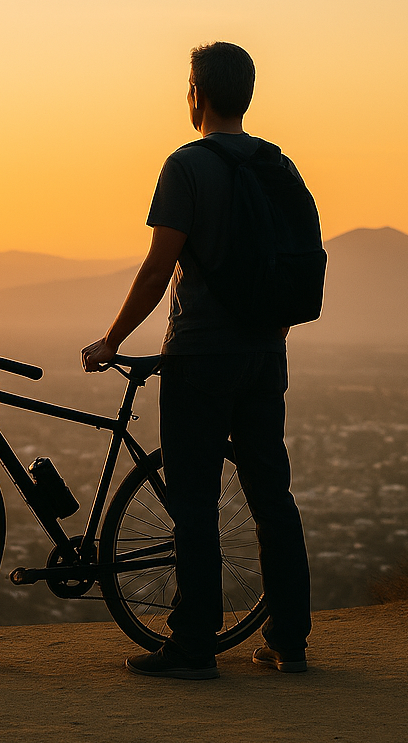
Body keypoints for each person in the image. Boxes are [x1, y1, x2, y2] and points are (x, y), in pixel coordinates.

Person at [82, 41, 312, 680]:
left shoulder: (187, 165)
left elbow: (161, 265)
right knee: (272, 492)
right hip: (266, 353)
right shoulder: (279, 165)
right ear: (248, 95)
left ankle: (192, 645)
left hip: (200, 353)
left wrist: (113, 339)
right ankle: (288, 641)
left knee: (194, 497)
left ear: (196, 95)